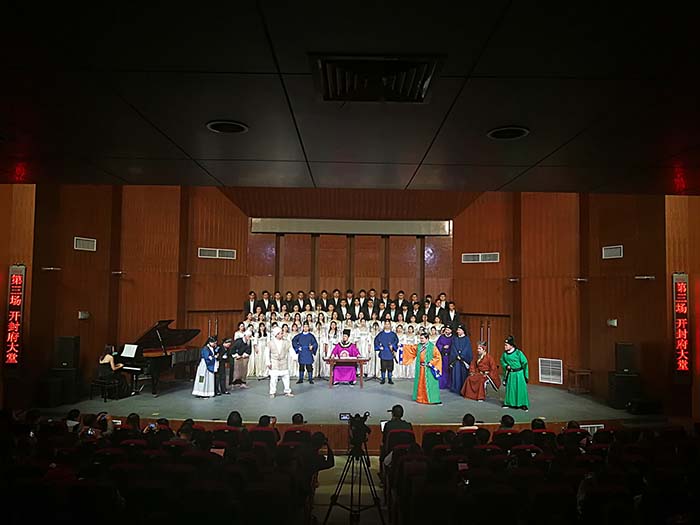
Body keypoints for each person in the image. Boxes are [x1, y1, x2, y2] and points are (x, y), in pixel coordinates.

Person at [412, 331, 442, 405]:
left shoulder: (432, 347)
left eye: (422, 338)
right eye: (420, 338)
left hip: (429, 368)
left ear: (427, 338)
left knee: (430, 384)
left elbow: (438, 357)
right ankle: (420, 398)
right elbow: (411, 349)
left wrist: (431, 363)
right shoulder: (419, 346)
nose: (421, 340)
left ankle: (432, 399)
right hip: (420, 368)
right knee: (420, 383)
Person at [501, 335, 529, 411]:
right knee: (510, 389)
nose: (505, 346)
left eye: (506, 345)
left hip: (519, 374)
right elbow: (502, 361)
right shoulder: (505, 354)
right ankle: (509, 403)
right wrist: (506, 366)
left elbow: (525, 363)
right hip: (511, 374)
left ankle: (523, 404)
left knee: (520, 389)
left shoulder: (518, 353)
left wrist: (525, 375)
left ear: (511, 345)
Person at [266, 326, 294, 398]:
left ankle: (287, 391)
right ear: (276, 334)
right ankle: (272, 392)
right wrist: (268, 362)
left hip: (283, 361)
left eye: (282, 333)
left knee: (286, 377)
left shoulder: (286, 342)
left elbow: (291, 350)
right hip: (274, 362)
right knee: (273, 378)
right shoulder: (270, 343)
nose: (282, 334)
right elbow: (267, 353)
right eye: (280, 333)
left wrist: (295, 357)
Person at [448, 325, 472, 394]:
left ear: (463, 331)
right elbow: (453, 348)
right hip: (456, 360)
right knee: (456, 374)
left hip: (463, 360)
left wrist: (462, 356)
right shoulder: (455, 339)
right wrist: (456, 355)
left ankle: (463, 388)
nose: (457, 331)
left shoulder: (467, 339)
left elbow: (467, 348)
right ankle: (456, 388)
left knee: (463, 374)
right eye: (457, 330)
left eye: (459, 330)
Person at [374, 319, 399, 385]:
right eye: (386, 324)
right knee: (383, 366)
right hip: (383, 353)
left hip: (390, 353)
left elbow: (396, 341)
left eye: (388, 324)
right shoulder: (381, 334)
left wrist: (393, 345)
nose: (387, 325)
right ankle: (383, 379)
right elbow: (376, 341)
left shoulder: (393, 334)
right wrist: (379, 347)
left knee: (390, 367)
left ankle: (390, 378)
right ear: (384, 325)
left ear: (390, 325)